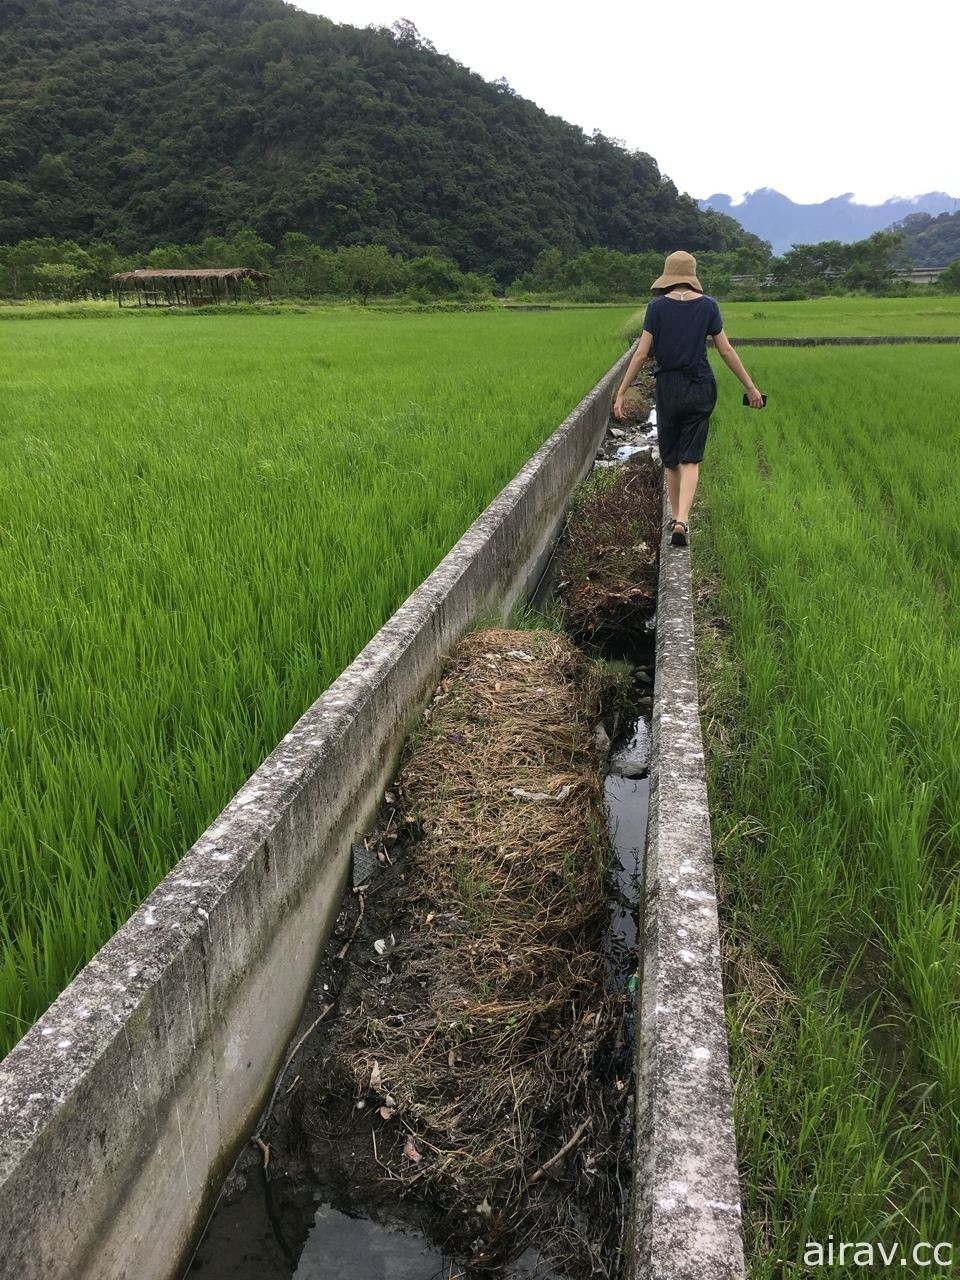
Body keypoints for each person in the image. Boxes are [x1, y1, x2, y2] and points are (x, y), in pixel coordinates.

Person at [613, 250, 764, 546]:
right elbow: (726, 350)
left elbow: (642, 354)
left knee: (670, 460)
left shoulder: (656, 308)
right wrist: (750, 386)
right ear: (692, 278)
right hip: (701, 387)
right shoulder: (709, 306)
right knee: (691, 458)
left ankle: (674, 520)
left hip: (668, 388)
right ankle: (683, 519)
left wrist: (621, 391)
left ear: (668, 278)